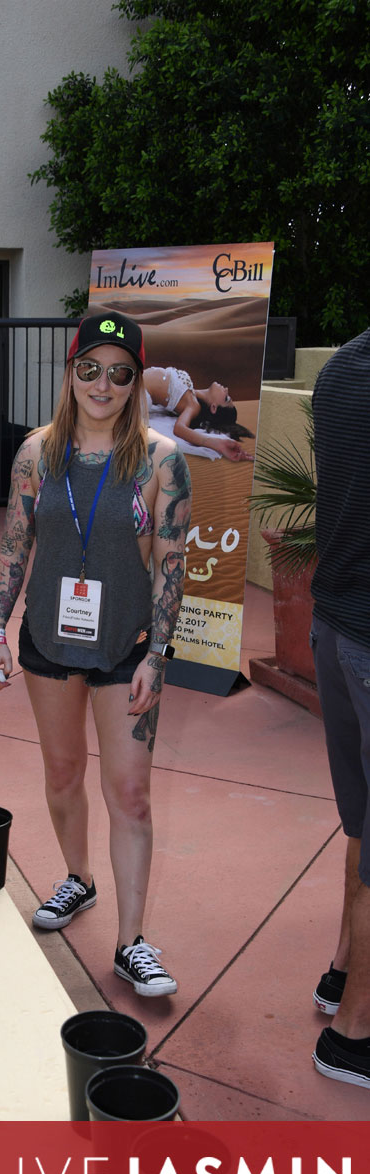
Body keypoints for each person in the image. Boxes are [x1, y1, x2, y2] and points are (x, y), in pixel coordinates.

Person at [0, 312, 192, 997]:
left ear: (137, 383)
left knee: (129, 791)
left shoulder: (163, 460)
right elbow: (14, 545)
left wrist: (158, 652)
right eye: (89, 368)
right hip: (47, 640)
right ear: (70, 373)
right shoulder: (36, 453)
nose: (103, 384)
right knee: (63, 772)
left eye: (120, 372)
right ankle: (78, 876)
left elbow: (170, 561)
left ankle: (132, 941)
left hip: (124, 647)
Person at [309, 326, 370, 1088]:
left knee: (360, 820)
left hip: (336, 626)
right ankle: (355, 1031)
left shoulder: (340, 368)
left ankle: (340, 969)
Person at [143, 365, 254, 461]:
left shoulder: (193, 406)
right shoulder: (192, 394)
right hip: (134, 379)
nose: (226, 389)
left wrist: (215, 443)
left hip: (138, 395)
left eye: (226, 398)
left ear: (214, 407)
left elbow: (179, 428)